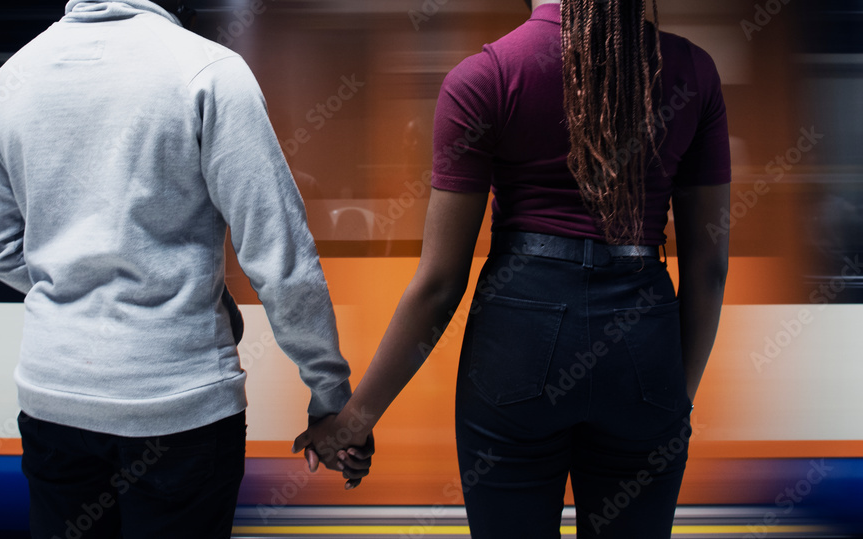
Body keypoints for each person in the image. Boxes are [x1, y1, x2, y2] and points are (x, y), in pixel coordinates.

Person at [294, 0, 730, 537]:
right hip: (644, 341)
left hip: (517, 342)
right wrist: (672, 404)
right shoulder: (693, 71)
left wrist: (353, 422)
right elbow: (709, 267)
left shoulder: (486, 75)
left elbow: (439, 285)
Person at [0, 0, 371, 537]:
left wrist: (72, 290)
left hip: (53, 402)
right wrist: (330, 398)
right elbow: (280, 259)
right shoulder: (209, 72)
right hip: (181, 410)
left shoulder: (7, 82)